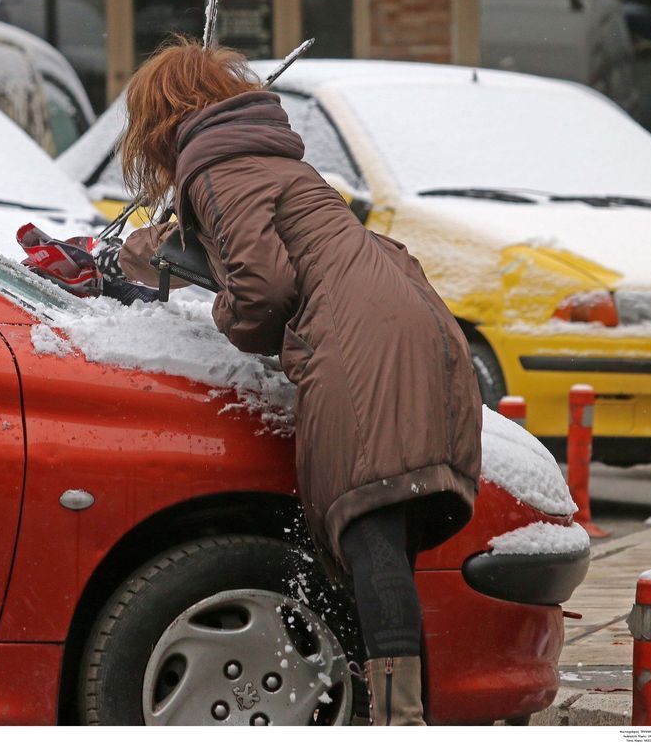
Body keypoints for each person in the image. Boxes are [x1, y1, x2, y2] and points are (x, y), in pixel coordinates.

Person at [114, 38, 483, 726]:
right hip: (417, 329)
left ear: (159, 122)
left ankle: (399, 720)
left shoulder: (217, 170)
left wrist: (228, 317)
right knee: (386, 530)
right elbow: (280, 255)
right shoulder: (266, 161)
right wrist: (169, 252)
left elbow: (262, 289)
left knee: (370, 522)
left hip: (363, 343)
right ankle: (396, 708)